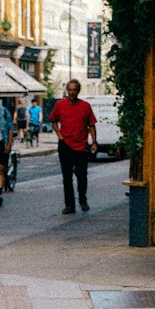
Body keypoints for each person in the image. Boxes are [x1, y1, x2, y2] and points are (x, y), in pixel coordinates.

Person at [50, 79, 97, 214]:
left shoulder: (85, 106)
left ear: (78, 91)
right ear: (67, 90)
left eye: (74, 90)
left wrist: (94, 142)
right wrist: (59, 135)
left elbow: (91, 125)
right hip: (65, 145)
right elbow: (53, 120)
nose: (72, 92)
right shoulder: (60, 105)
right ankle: (70, 205)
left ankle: (83, 200)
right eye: (70, 90)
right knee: (67, 176)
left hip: (81, 145)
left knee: (82, 174)